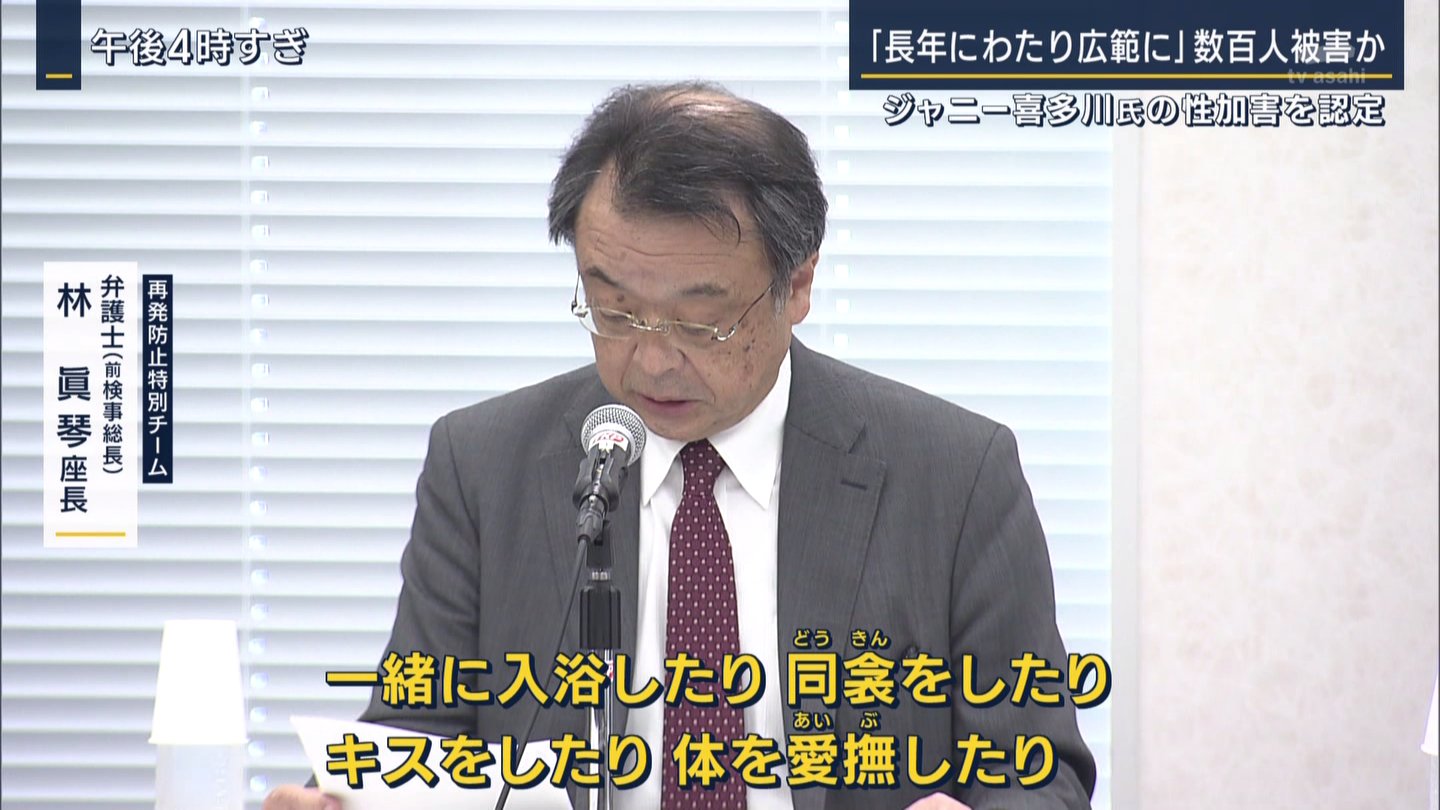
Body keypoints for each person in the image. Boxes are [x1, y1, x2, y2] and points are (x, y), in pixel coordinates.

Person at [266, 81, 1096, 810]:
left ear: (797, 284)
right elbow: (415, 741)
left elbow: (1040, 773)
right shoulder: (483, 467)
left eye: (702, 320)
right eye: (615, 310)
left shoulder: (955, 476)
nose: (652, 360)